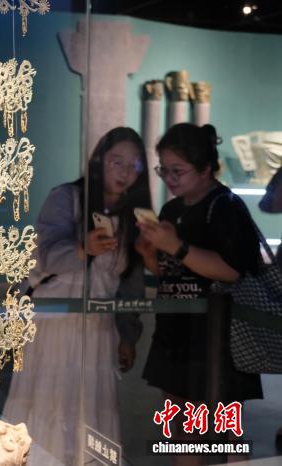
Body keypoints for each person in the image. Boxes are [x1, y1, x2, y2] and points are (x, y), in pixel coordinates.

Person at [2, 127, 150, 466]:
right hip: (55, 323)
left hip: (98, 329)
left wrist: (128, 335)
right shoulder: (67, 197)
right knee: (50, 401)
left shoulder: (134, 216)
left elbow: (129, 284)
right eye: (117, 162)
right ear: (99, 161)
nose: (124, 172)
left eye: (133, 165)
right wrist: (84, 249)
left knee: (91, 406)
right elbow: (43, 255)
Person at [137, 123, 263, 465]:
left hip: (216, 337)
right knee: (182, 430)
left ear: (206, 169)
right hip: (176, 332)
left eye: (177, 171)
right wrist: (149, 253)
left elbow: (231, 270)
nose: (169, 178)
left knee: (224, 434)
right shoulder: (172, 210)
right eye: (163, 170)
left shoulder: (226, 207)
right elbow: (169, 274)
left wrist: (175, 246)